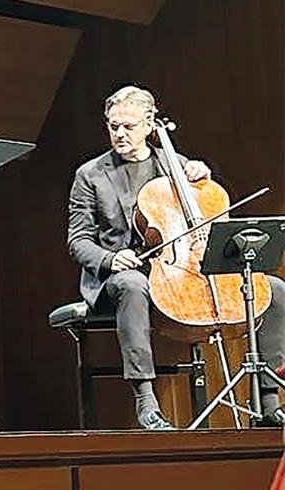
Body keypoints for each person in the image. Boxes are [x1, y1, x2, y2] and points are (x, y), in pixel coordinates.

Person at [67, 85, 285, 429]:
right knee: (133, 285)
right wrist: (111, 259)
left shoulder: (177, 166)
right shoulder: (90, 175)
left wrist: (201, 178)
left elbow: (203, 220)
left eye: (129, 126)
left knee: (275, 290)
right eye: (113, 126)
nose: (120, 134)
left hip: (180, 269)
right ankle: (146, 400)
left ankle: (269, 399)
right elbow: (78, 241)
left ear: (149, 124)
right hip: (123, 276)